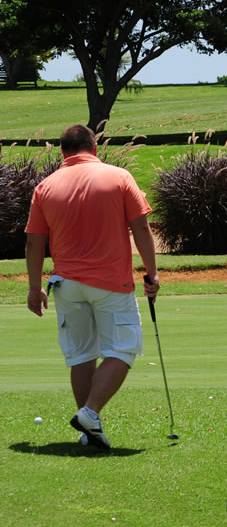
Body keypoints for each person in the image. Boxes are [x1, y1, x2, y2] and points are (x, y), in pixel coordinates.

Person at [25, 124, 160, 449]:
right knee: (123, 349)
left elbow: (34, 242)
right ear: (94, 147)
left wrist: (33, 287)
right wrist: (152, 273)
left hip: (66, 285)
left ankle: (89, 430)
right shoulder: (119, 177)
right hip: (112, 282)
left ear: (62, 152)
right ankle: (90, 412)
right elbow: (140, 227)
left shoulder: (46, 186)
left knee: (81, 355)